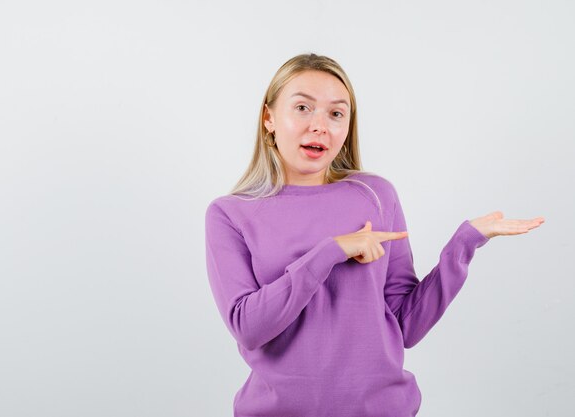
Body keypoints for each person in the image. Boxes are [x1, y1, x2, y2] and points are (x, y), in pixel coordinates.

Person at [204, 53, 544, 417]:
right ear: (269, 117)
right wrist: (330, 251)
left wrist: (465, 242)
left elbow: (406, 325)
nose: (320, 126)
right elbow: (249, 328)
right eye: (303, 107)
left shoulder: (375, 195)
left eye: (336, 113)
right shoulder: (230, 214)